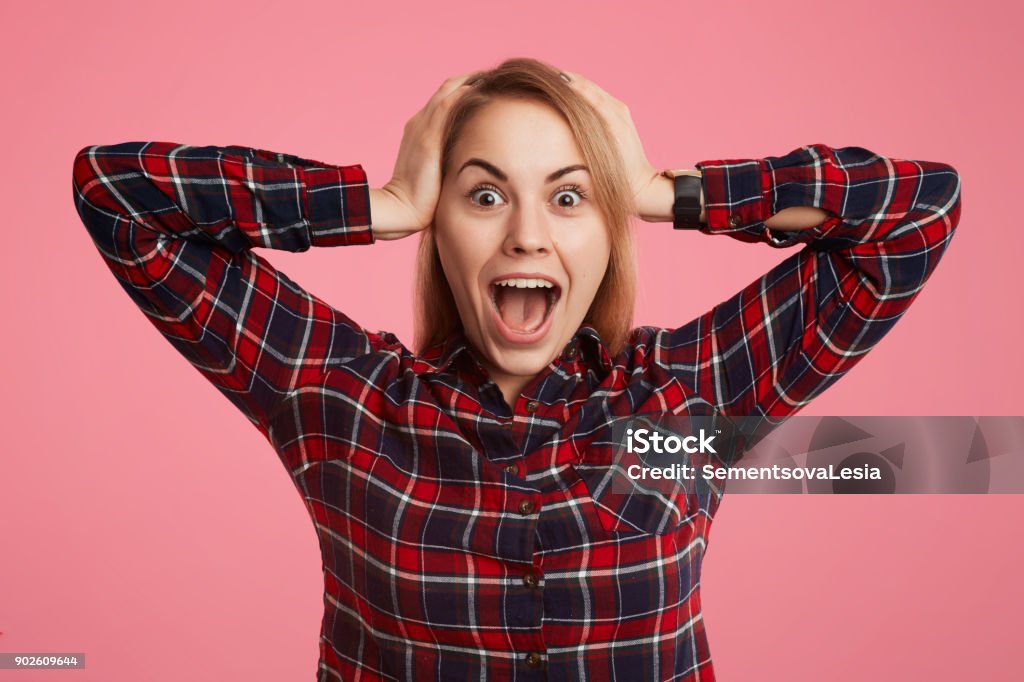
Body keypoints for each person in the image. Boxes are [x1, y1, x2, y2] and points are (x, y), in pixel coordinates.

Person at [71, 57, 962, 681]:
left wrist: (664, 191)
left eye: (570, 197)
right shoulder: (343, 399)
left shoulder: (686, 397)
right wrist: (377, 205)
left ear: (604, 234)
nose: (527, 233)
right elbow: (116, 194)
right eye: (484, 194)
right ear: (441, 229)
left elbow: (920, 214)